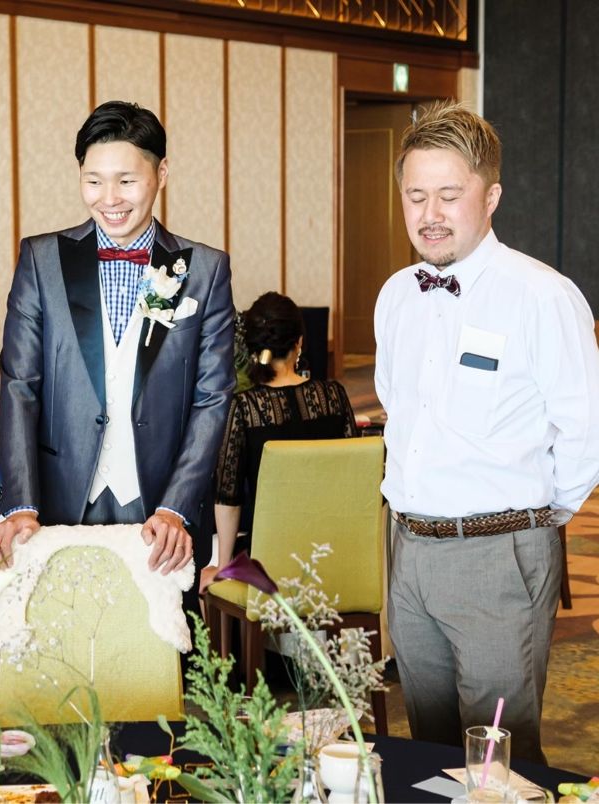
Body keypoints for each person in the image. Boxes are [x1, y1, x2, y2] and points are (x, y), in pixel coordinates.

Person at [375, 101, 599, 762]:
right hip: (408, 553)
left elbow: (585, 429)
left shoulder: (541, 296)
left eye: (450, 195)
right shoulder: (395, 295)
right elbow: (397, 410)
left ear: (491, 196)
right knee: (429, 750)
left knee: (500, 760)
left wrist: (530, 521)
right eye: (416, 196)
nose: (430, 213)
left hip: (499, 556)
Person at [0, 100, 236, 594]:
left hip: (161, 510)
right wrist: (21, 503)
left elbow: (213, 398)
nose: (109, 198)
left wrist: (176, 505)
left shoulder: (206, 270)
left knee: (165, 637)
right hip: (58, 501)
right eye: (94, 180)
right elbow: (19, 386)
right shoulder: (41, 259)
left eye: (127, 180)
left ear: (161, 174)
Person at [199, 292, 357, 593]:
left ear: (251, 347)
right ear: (299, 342)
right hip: (334, 554)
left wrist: (223, 566)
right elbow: (354, 480)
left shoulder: (245, 408)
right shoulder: (334, 396)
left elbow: (228, 496)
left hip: (270, 561)